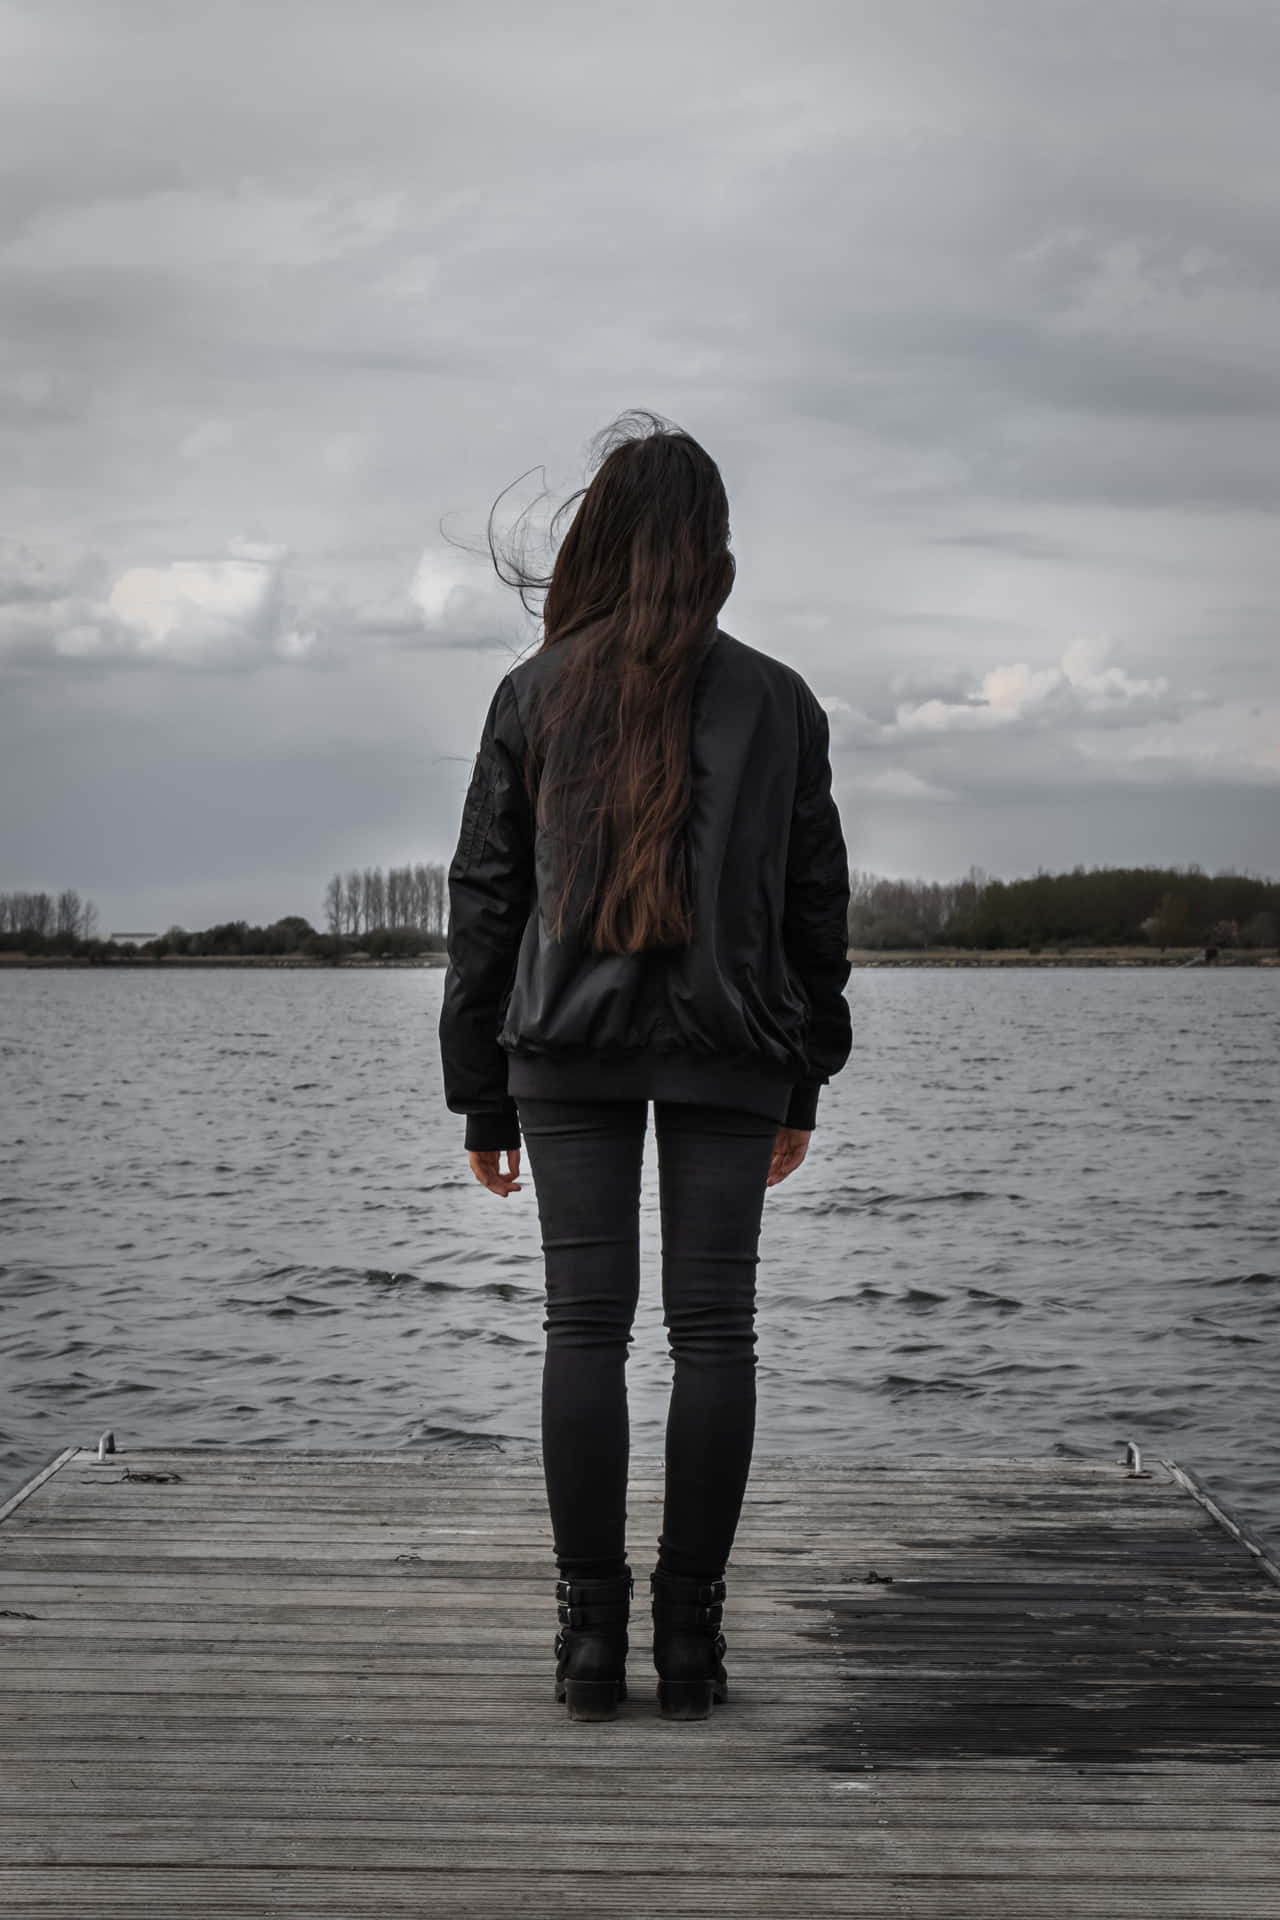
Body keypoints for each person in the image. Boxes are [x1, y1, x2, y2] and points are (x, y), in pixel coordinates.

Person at [438, 409, 852, 1722]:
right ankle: (691, 1646)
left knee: (585, 1331)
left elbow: (486, 905)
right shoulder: (778, 699)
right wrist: (805, 1076)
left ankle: (587, 1646)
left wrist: (480, 1093)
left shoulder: (534, 691)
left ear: (602, 540)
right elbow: (814, 910)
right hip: (734, 1051)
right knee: (714, 1333)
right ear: (715, 548)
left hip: (562, 1053)